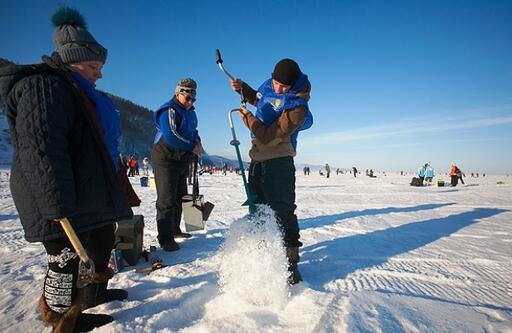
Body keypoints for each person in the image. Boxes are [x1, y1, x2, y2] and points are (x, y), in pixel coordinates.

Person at [0, 6, 135, 332]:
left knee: (102, 240)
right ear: (72, 61)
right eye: (93, 66)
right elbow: (40, 148)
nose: (99, 74)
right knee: (66, 260)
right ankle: (63, 321)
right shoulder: (43, 87)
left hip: (84, 192)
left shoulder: (75, 90)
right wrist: (55, 204)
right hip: (57, 194)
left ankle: (92, 295)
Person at [229, 58, 313, 284]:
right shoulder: (270, 87)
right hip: (257, 160)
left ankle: (290, 263)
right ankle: (261, 254)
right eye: (276, 83)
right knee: (257, 208)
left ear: (293, 85)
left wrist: (247, 118)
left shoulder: (297, 107)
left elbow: (267, 136)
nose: (278, 89)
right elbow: (261, 99)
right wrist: (243, 88)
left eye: (284, 87)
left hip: (279, 162)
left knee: (283, 211)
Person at [152, 78, 202, 251]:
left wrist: (198, 142)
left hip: (182, 159)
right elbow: (171, 135)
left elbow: (193, 131)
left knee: (181, 196)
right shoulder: (169, 110)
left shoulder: (191, 112)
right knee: (166, 199)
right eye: (187, 98)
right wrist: (192, 146)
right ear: (178, 93)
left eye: (193, 99)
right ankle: (165, 238)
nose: (190, 102)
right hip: (165, 158)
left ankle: (175, 230)